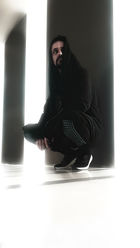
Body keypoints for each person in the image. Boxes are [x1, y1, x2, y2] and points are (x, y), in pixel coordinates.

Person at [23, 35, 103, 170]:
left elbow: (82, 105)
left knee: (66, 118)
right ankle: (70, 153)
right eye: (55, 51)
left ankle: (85, 152)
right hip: (63, 124)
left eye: (62, 50)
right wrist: (41, 134)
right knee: (29, 131)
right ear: (52, 58)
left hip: (87, 126)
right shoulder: (56, 87)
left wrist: (51, 126)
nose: (59, 53)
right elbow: (47, 113)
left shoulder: (82, 74)